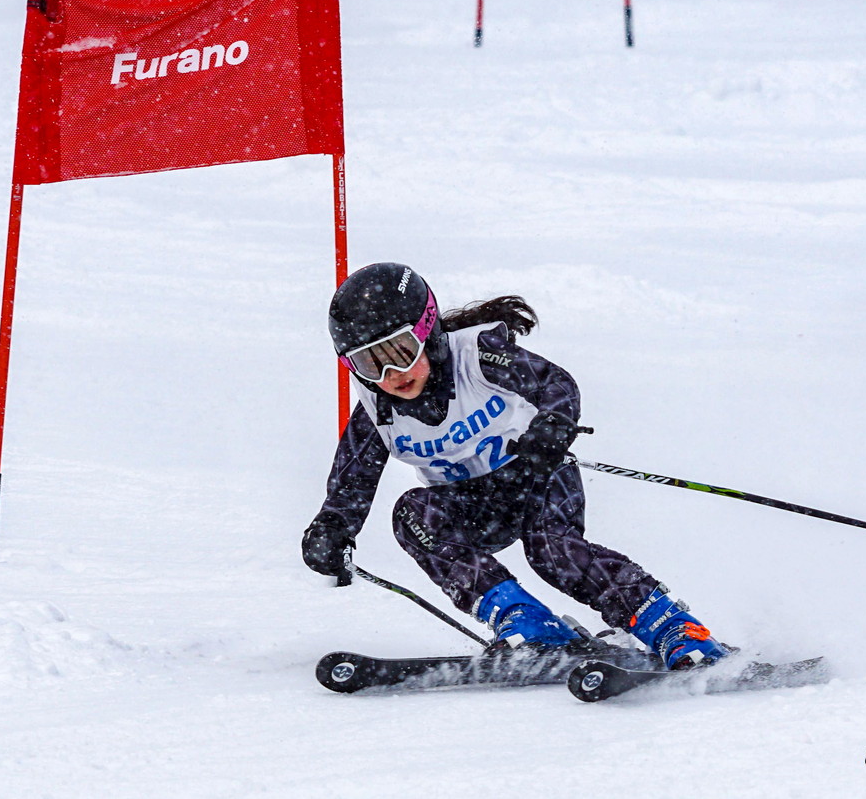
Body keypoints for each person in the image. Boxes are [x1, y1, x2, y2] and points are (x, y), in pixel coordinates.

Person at [301, 262, 730, 670]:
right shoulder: (378, 411)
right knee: (413, 515)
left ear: (427, 331)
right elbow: (351, 483)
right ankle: (528, 623)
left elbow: (555, 384)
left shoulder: (478, 356)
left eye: (400, 351)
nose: (392, 373)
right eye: (368, 363)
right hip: (471, 507)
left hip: (535, 475)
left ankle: (674, 627)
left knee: (552, 550)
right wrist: (332, 530)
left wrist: (553, 426)